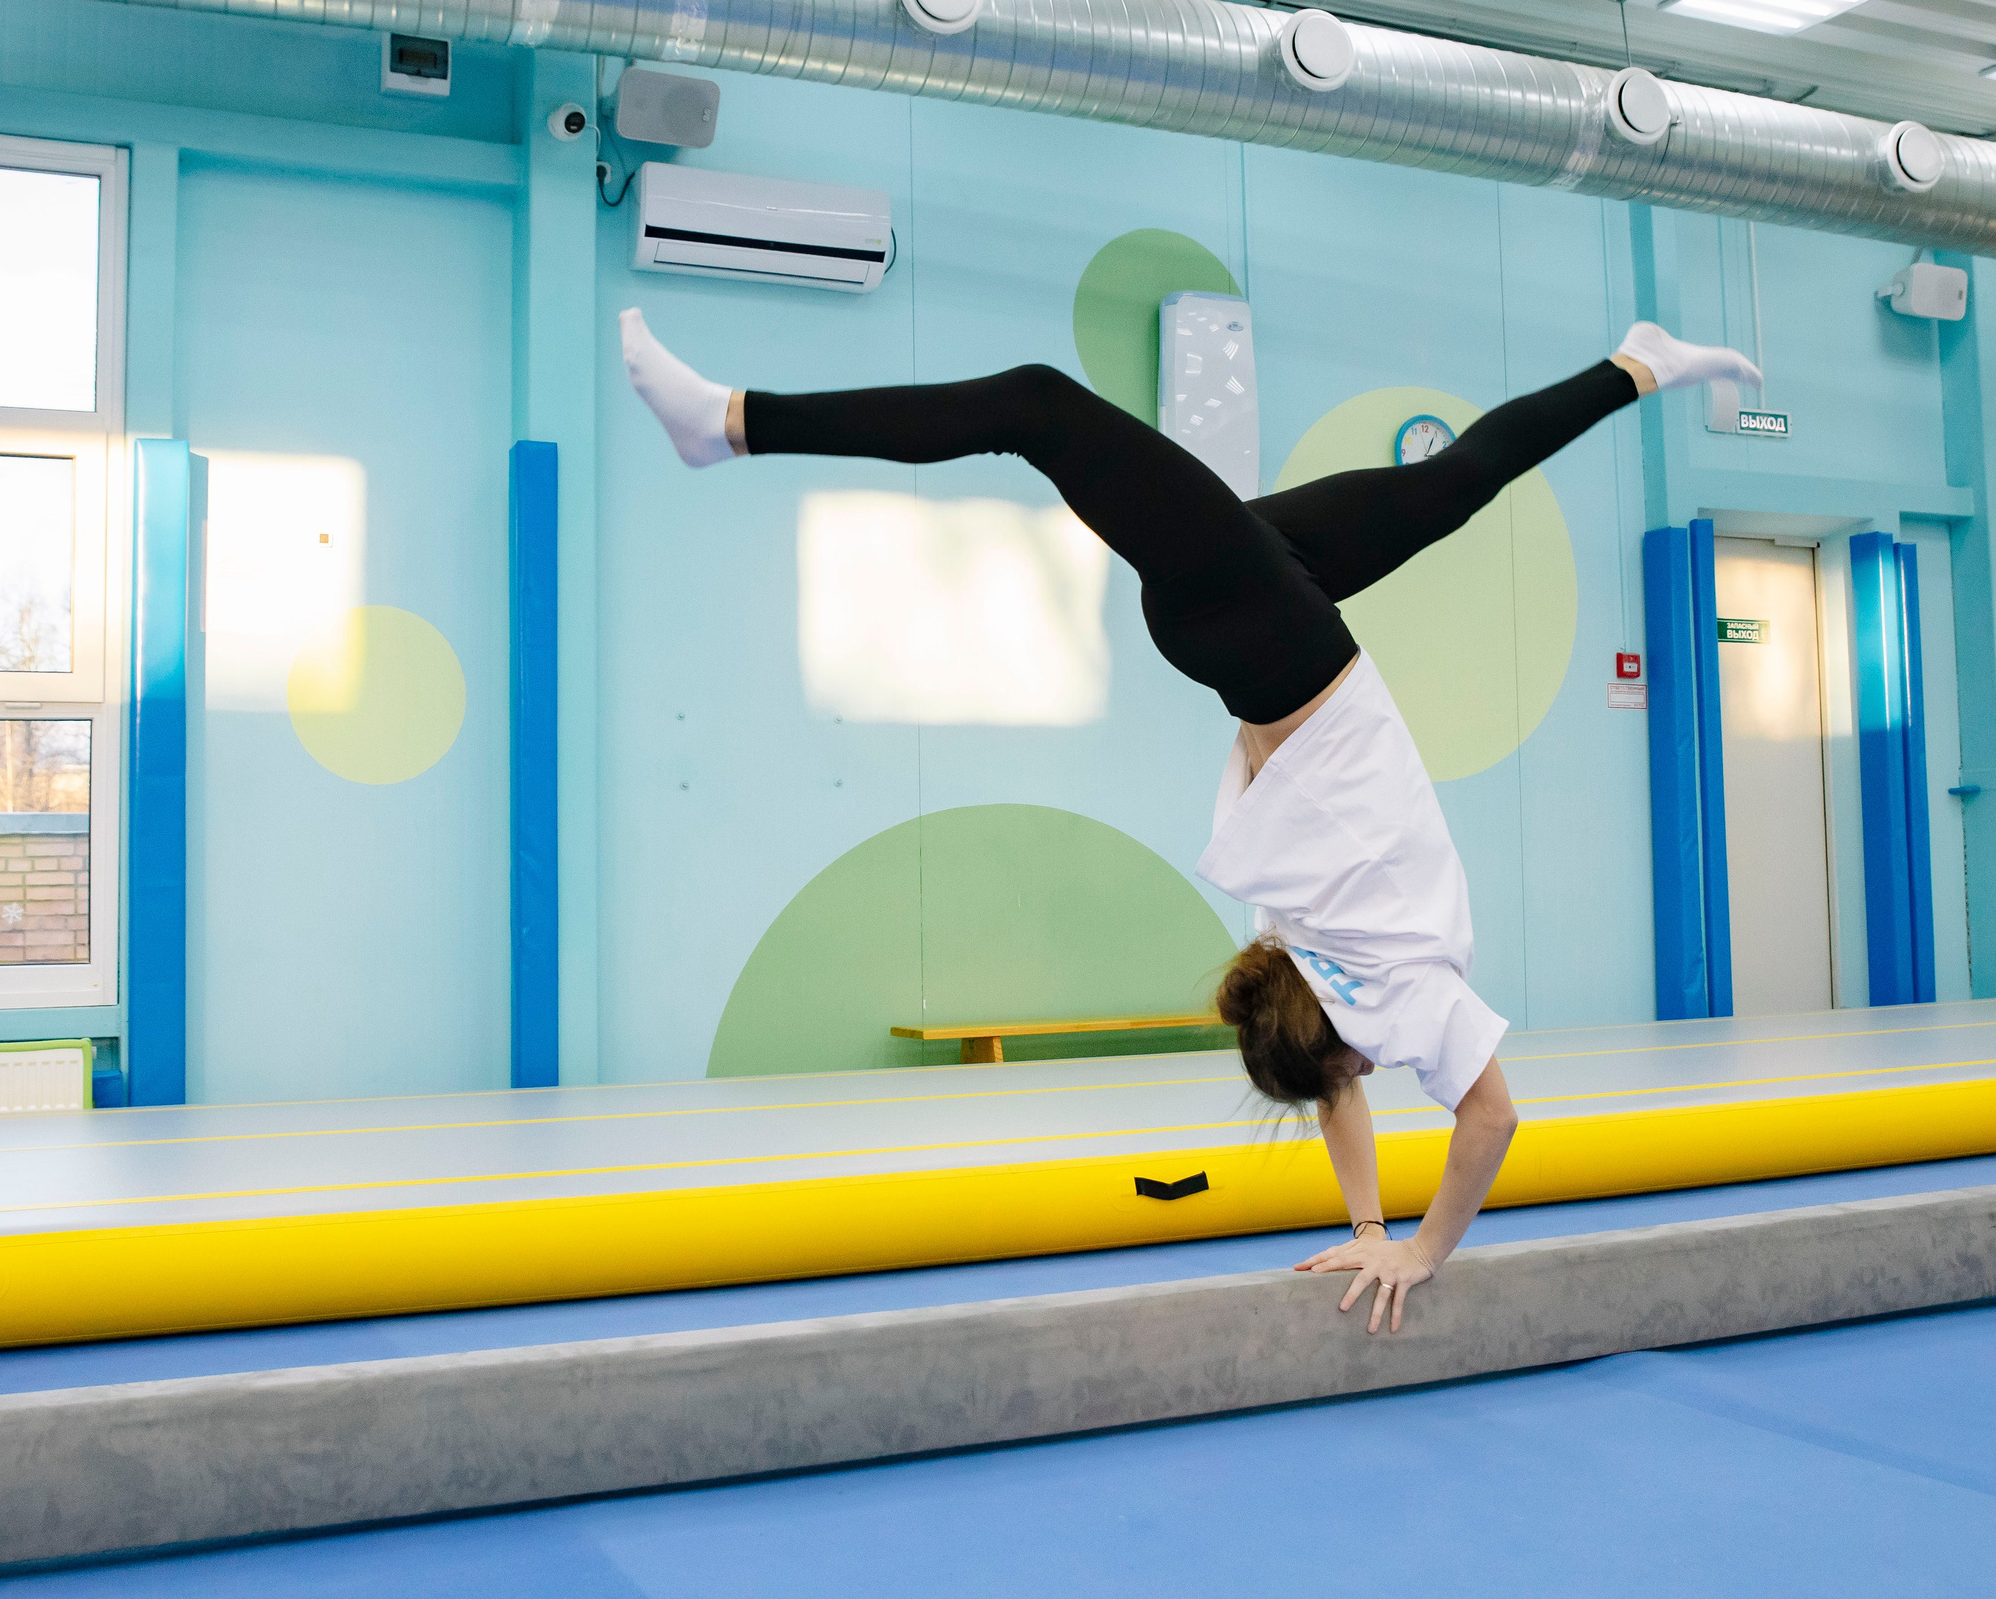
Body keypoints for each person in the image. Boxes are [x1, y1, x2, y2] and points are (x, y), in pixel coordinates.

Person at [619, 304, 1758, 1334]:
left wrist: (1417, 1245)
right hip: (1251, 632)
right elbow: (1356, 1090)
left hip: (1274, 641)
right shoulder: (1299, 949)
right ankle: (1634, 364)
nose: (1355, 1087)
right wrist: (1376, 1234)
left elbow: (1484, 1121)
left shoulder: (1388, 987)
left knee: (1036, 405)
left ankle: (727, 425)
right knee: (1454, 482)